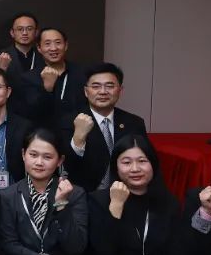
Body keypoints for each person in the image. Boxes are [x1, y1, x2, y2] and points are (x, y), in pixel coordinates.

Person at [61, 62, 147, 192]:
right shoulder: (68, 122)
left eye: (109, 86)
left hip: (127, 194)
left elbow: (145, 162)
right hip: (84, 196)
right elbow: (65, 168)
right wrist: (78, 139)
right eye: (96, 86)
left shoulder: (134, 123)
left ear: (120, 90)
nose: (103, 92)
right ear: (86, 91)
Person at [21, 27, 86, 128]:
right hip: (44, 133)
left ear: (66, 45)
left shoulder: (81, 73)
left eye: (58, 43)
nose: (53, 48)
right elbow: (31, 113)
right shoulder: (28, 78)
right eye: (47, 44)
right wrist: (47, 89)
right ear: (39, 48)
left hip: (78, 130)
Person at [0, 12, 40, 78]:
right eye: (20, 29)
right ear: (12, 33)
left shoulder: (42, 55)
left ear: (36, 32)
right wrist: (2, 69)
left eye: (29, 29)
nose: (25, 33)